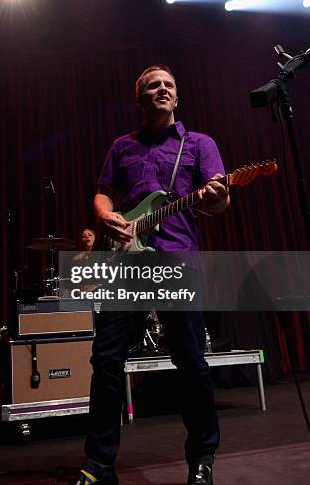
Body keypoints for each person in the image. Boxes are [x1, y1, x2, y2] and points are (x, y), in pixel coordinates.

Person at [76, 65, 230, 485]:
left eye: (169, 85)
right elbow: (103, 191)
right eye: (152, 86)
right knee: (106, 360)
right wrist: (106, 215)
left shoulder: (199, 144)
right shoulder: (122, 146)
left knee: (191, 362)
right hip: (125, 262)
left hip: (176, 261)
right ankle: (98, 465)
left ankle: (202, 459)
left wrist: (220, 195)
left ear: (177, 97)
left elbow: (216, 204)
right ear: (140, 99)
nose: (162, 89)